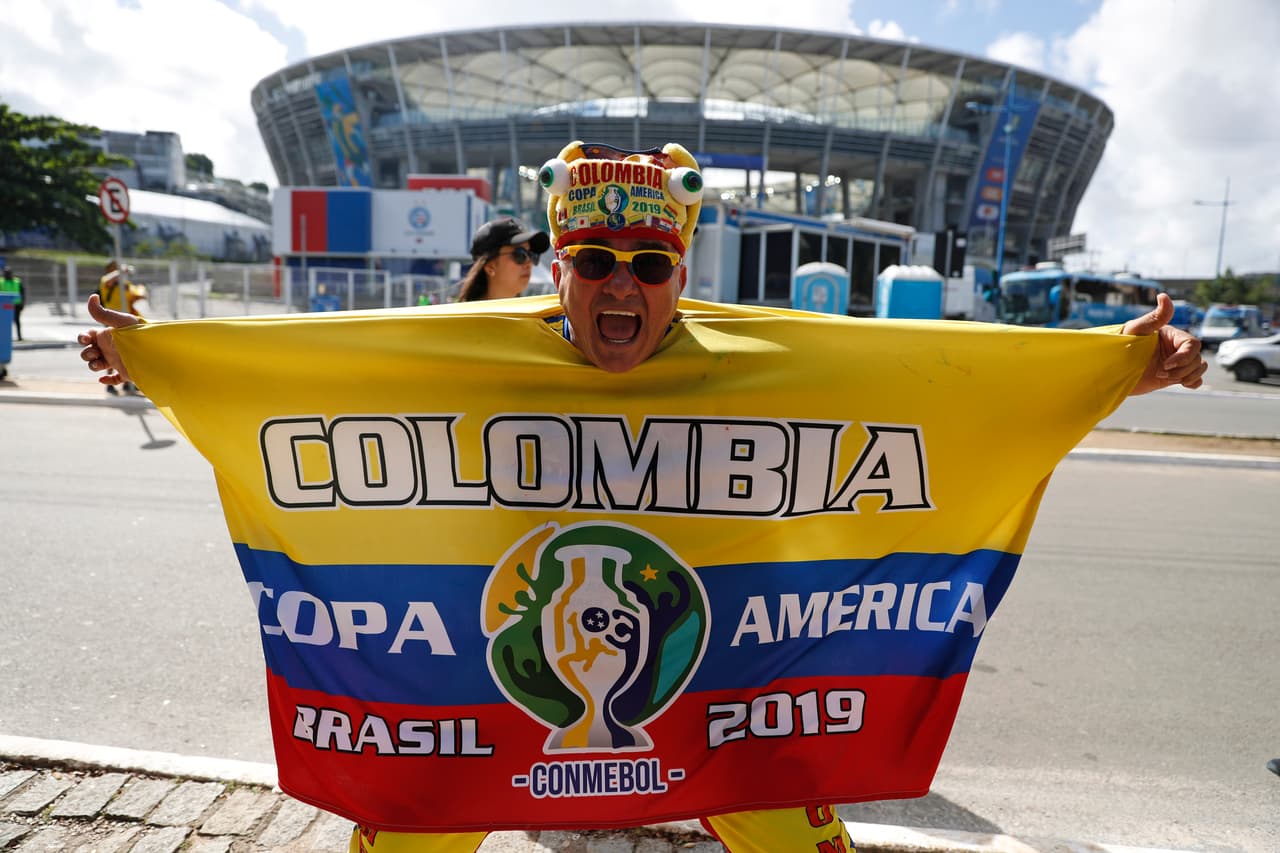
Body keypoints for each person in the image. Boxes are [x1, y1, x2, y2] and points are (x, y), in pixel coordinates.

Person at [78, 139, 1206, 853]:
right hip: (476, 671)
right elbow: (289, 375)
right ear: (557, 264)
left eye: (649, 265)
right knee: (413, 819)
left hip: (725, 677)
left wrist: (1119, 360)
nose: (622, 281)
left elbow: (958, 382)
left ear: (681, 272)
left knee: (787, 819)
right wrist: (157, 358)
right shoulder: (458, 351)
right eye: (596, 259)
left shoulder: (762, 356)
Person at [455, 216, 550, 302]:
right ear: (490, 267)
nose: (529, 263)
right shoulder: (461, 319)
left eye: (532, 255)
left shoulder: (536, 318)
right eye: (520, 255)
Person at [0, 263, 23, 341]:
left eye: (8, 273)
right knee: (4, 322)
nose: (7, 275)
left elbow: (22, 293)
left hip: (16, 305)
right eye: (6, 273)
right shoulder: (1, 282)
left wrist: (22, 304)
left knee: (16, 321)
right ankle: (5, 337)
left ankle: (19, 337)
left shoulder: (17, 281)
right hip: (4, 306)